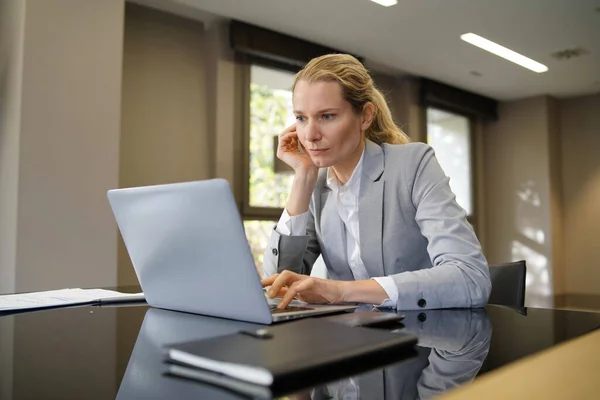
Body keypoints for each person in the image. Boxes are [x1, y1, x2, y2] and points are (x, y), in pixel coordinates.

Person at [260, 53, 490, 310]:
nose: (310, 135)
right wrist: (303, 179)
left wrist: (341, 291)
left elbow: (470, 278)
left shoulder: (413, 165)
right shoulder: (317, 184)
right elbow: (276, 288)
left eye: (327, 116)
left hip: (424, 337)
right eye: (301, 118)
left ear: (366, 116)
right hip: (349, 340)